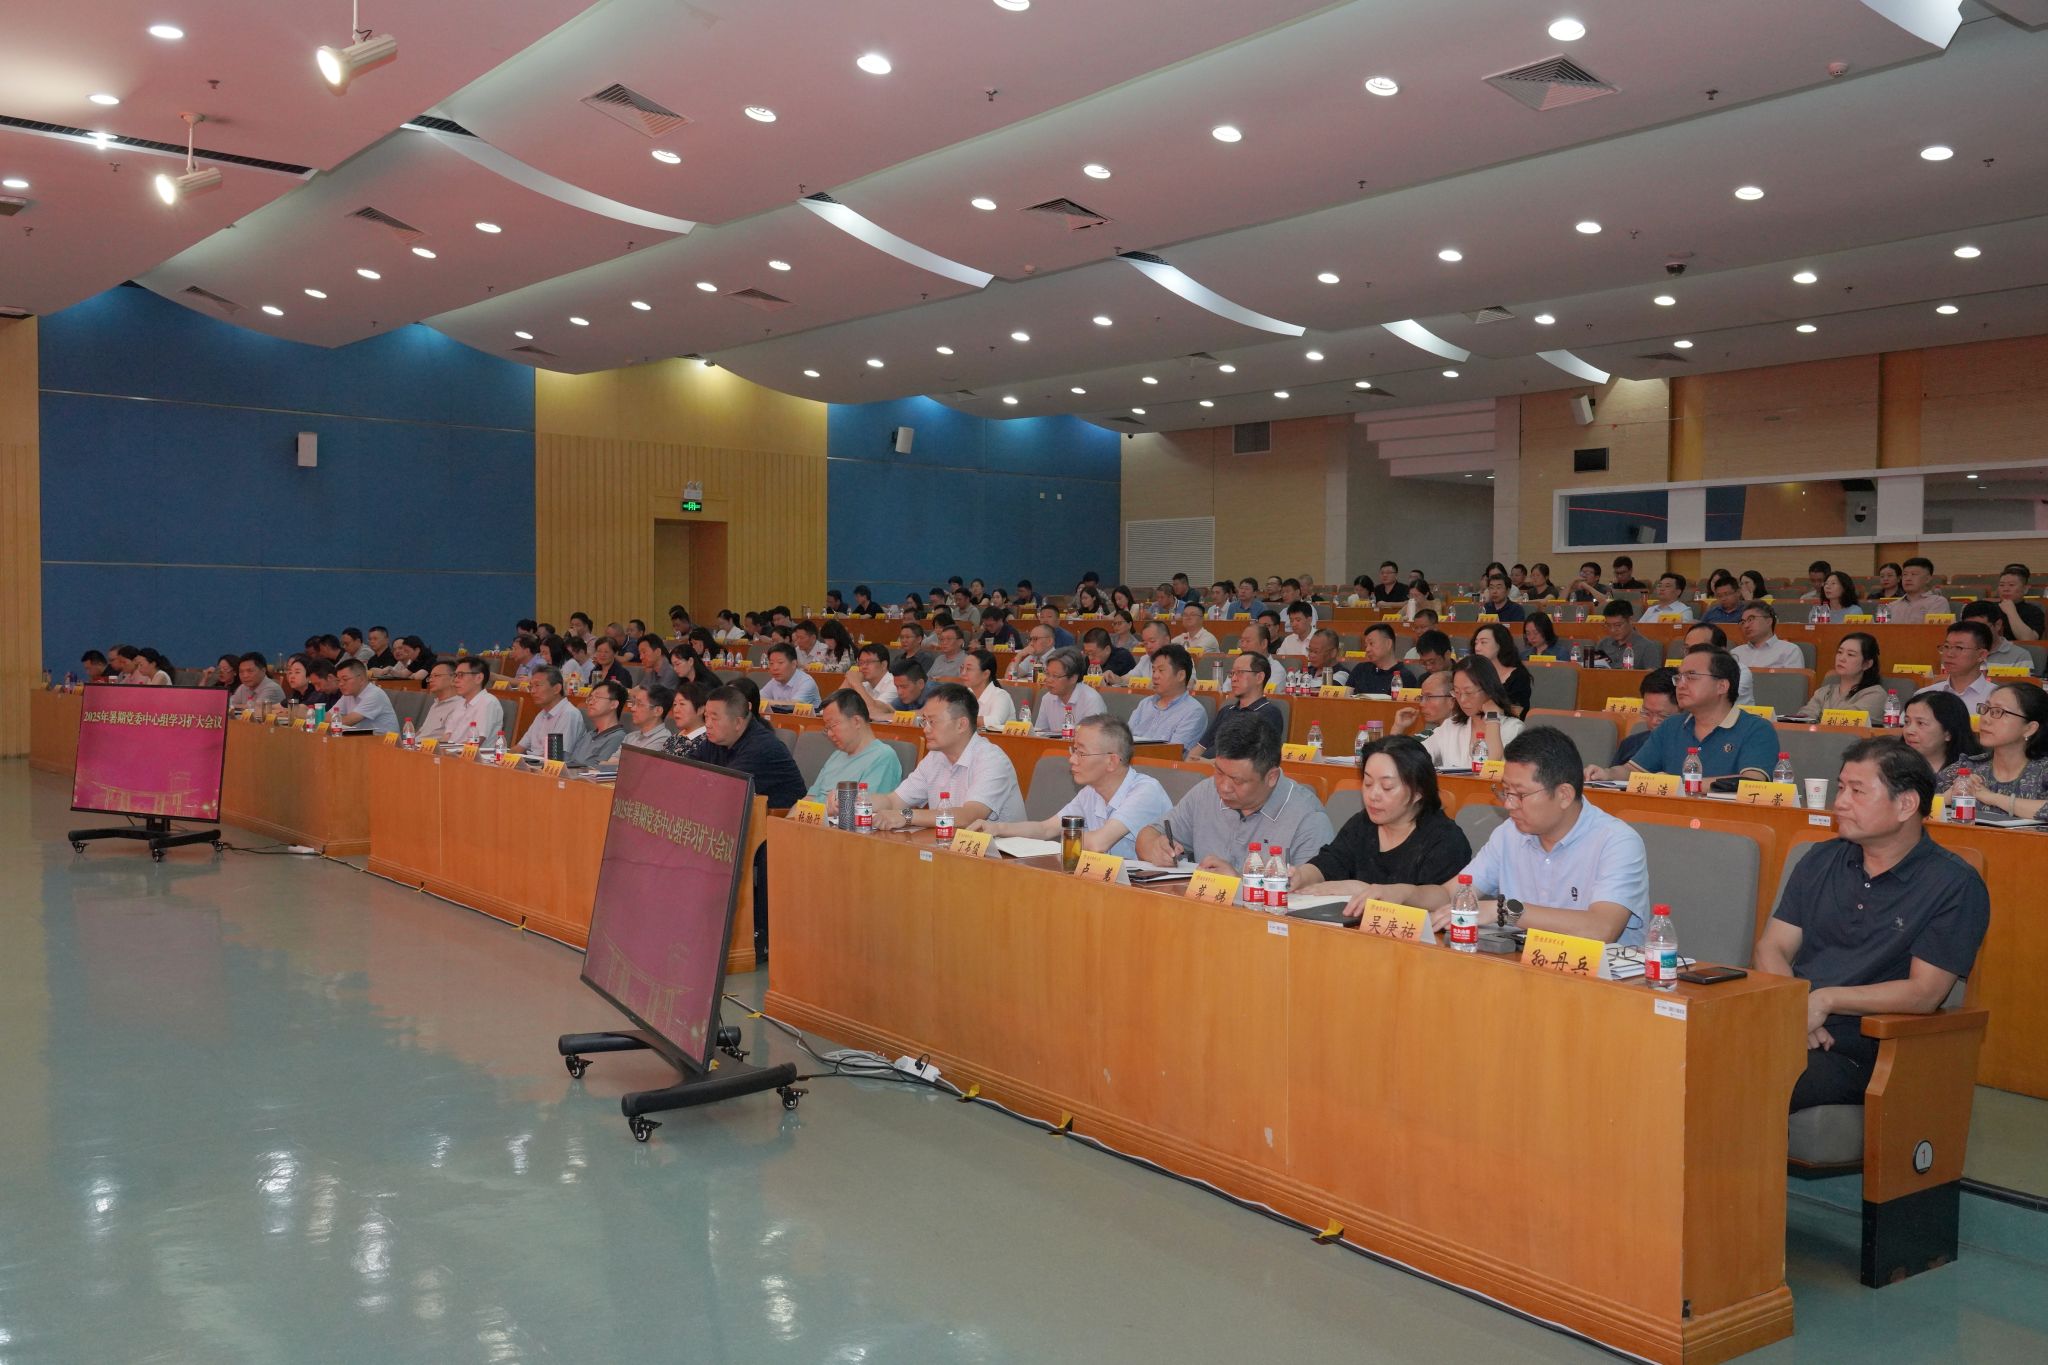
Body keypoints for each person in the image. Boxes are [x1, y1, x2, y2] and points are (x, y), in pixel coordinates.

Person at [1754, 740, 1989, 1110]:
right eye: (1841, 788)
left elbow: (1924, 993)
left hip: (1865, 1049)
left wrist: (1826, 1001)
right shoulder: (1821, 858)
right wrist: (1797, 1011)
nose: (1840, 802)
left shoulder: (1953, 884)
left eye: (1858, 791)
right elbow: (1773, 946)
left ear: (1906, 804)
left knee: (1748, 1077)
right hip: (1793, 1024)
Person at [1415, 727, 1649, 946]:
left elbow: (1602, 928)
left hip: (1596, 972)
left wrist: (1505, 910)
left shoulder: (1617, 842)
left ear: (1564, 795)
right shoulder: (1509, 832)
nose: (1508, 804)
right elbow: (1451, 893)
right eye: (1505, 791)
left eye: (1520, 794)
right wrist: (1403, 894)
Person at [1291, 735, 1473, 919]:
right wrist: (1301, 875)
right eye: (1368, 783)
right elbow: (1329, 863)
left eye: (1387, 787)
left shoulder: (1445, 839)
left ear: (1418, 792)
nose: (1373, 795)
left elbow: (1441, 902)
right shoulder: (1362, 824)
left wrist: (1365, 890)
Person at [1134, 712, 1334, 871]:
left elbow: (1310, 896)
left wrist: (1238, 884)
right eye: (1219, 772)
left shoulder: (1308, 819)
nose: (1223, 787)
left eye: (1237, 780)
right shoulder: (1205, 792)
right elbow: (1149, 834)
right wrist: (1154, 848)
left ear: (1271, 777)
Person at [700, 683, 807, 960]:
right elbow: (689, 773)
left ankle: (751, 935)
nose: (707, 724)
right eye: (706, 717)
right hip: (743, 821)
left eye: (714, 718)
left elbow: (721, 789)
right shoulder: (715, 740)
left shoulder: (761, 746)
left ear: (738, 722)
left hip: (779, 826)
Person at [971, 716, 1172, 861]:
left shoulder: (1145, 791)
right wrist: (997, 828)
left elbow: (1098, 843)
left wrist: (1053, 846)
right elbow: (1046, 828)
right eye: (1073, 750)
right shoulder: (1091, 792)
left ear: (1111, 761)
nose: (1072, 759)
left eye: (1081, 753)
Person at [1587, 647, 1777, 784]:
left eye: (1691, 677)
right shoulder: (1671, 726)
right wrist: (1606, 773)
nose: (1681, 685)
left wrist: (1678, 784)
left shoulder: (1756, 729)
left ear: (1722, 686)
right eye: (1679, 677)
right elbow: (1631, 771)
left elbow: (1751, 782)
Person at [872, 683, 1027, 828]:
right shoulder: (935, 757)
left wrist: (906, 816)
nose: (925, 729)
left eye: (932, 722)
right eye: (924, 721)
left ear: (961, 724)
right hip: (948, 843)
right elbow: (894, 801)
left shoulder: (992, 760)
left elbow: (968, 816)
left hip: (995, 847)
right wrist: (861, 802)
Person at [1935, 684, 2048, 815]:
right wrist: (1946, 798)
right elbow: (1918, 805)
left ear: (2029, 728)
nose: (1985, 719)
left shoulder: (2043, 771)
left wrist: (1992, 798)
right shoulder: (1966, 768)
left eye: (1998, 712)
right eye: (1986, 709)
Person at [1420, 658, 1524, 770]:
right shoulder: (1451, 726)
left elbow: (1491, 767)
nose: (1462, 700)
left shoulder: (1513, 728)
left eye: (1468, 692)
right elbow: (1419, 755)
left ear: (1488, 690)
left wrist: (1493, 718)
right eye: (1457, 692)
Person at [805, 689, 905, 804]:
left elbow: (863, 809)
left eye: (833, 725)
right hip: (812, 815)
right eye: (827, 728)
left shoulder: (883, 757)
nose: (829, 734)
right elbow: (809, 799)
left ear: (856, 721)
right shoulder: (837, 754)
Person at [1190, 652, 1285, 759]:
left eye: (1240, 673)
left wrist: (1206, 763)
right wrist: (1190, 761)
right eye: (1232, 673)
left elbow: (1249, 761)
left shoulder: (1269, 713)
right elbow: (1200, 748)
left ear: (1259, 677)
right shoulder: (1226, 711)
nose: (1233, 679)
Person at [1788, 632, 1890, 724]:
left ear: (1867, 664)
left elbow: (1848, 722)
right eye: (1840, 652)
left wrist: (1818, 719)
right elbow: (1804, 717)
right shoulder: (1824, 692)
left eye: (1850, 654)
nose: (1842, 658)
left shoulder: (1875, 694)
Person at [1127, 645, 1208, 758]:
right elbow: (1125, 740)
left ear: (1181, 675)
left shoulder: (1194, 712)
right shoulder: (1145, 703)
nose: (1155, 676)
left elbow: (1172, 754)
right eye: (1153, 670)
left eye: (1161, 670)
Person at [1915, 621, 1994, 715]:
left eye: (1959, 647)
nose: (1949, 654)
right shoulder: (1924, 696)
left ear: (1981, 655)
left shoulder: (1997, 698)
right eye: (1946, 646)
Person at [1032, 648, 1107, 737]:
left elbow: (1093, 739)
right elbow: (1039, 733)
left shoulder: (1091, 700)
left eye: (1055, 676)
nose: (1048, 680)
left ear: (1073, 678)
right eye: (1047, 674)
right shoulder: (1047, 698)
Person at [517, 666, 588, 761]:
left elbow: (554, 757)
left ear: (556, 689)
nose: (532, 691)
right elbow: (520, 747)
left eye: (537, 685)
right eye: (531, 686)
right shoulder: (542, 714)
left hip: (549, 766)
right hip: (533, 763)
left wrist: (526, 762)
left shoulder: (569, 714)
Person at [1612, 668, 1678, 767]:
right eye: (1647, 713)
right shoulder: (1630, 744)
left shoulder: (1692, 750)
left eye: (1662, 716)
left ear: (1684, 710)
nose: (1653, 721)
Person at [1468, 622, 1532, 717]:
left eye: (1483, 642)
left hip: (1505, 723)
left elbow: (1516, 711)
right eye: (1476, 643)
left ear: (1500, 644)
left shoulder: (1519, 676)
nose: (1477, 648)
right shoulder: (1472, 673)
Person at [1685, 621, 1753, 706]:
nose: (1690, 654)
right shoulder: (1682, 672)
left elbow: (1710, 701)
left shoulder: (1740, 672)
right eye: (1687, 649)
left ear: (1721, 651)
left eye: (1698, 648)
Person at [1959, 600, 2036, 674]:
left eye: (1981, 627)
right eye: (1968, 628)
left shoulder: (2019, 656)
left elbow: (2022, 683)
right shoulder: (1957, 653)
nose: (1974, 633)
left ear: (1998, 625)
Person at [445, 658, 507, 747]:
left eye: (461, 675)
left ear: (479, 678)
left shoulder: (488, 702)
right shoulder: (460, 702)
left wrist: (447, 751)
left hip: (473, 754)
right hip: (452, 751)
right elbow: (447, 736)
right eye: (455, 675)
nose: (455, 680)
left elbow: (474, 743)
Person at [1729, 602, 1806, 673]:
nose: (1746, 626)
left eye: (1750, 619)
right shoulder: (1735, 653)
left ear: (1768, 621)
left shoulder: (1789, 651)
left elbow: (1793, 682)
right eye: (1743, 622)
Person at [329, 659, 398, 735]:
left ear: (361, 679)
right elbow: (329, 715)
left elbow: (346, 722)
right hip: (362, 739)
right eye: (338, 680)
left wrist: (326, 719)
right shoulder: (348, 694)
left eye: (345, 679)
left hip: (383, 741)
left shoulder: (374, 694)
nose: (341, 684)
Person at [1390, 669, 1457, 741]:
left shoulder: (1462, 737)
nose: (1421, 704)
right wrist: (1398, 727)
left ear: (1452, 701)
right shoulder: (1426, 737)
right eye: (1421, 697)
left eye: (1429, 697)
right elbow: (1389, 748)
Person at [1346, 623, 1410, 697]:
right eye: (1366, 645)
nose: (1367, 649)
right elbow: (1344, 697)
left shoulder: (1404, 677)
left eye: (1371, 643)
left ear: (1388, 644)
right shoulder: (1360, 669)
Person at [578, 679, 630, 766]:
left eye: (597, 697)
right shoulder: (589, 735)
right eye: (590, 698)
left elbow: (598, 770)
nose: (590, 702)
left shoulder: (617, 738)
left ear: (613, 704)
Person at [1592, 599, 1657, 668]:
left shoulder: (1647, 647)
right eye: (1608, 625)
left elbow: (1653, 674)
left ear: (1630, 620)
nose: (1612, 630)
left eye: (1618, 625)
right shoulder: (1603, 644)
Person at [961, 649, 1015, 730]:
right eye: (962, 668)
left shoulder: (1001, 696)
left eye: (968, 669)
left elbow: (995, 722)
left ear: (985, 674)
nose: (963, 673)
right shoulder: (964, 694)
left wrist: (959, 719)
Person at [759, 643, 823, 709]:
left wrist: (764, 701)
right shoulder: (774, 681)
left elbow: (793, 705)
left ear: (793, 664)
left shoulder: (807, 682)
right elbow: (758, 697)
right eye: (771, 663)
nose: (775, 668)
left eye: (780, 662)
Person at [1888, 556, 1951, 624]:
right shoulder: (1891, 606)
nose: (1908, 578)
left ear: (1927, 579)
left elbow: (1934, 629)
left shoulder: (1938, 602)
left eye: (1914, 574)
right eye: (1905, 574)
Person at [414, 660, 465, 741]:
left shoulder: (460, 706)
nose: (431, 680)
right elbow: (421, 732)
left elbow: (449, 740)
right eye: (430, 677)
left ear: (453, 679)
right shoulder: (435, 704)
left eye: (436, 676)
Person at [847, 642, 901, 718]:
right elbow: (837, 705)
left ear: (884, 665)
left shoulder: (895, 685)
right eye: (861, 662)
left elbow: (873, 711)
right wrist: (848, 680)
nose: (863, 667)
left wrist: (856, 683)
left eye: (869, 662)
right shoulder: (865, 684)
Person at [1992, 564, 2043, 642]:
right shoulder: (1989, 608)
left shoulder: (2034, 611)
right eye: (2001, 585)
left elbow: (2029, 640)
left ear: (2025, 589)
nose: (2005, 589)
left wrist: (2011, 612)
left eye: (2011, 585)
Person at [663, 680, 713, 760]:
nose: (676, 710)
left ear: (701, 709)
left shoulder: (707, 743)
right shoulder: (672, 739)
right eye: (675, 704)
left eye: (682, 704)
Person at [619, 683, 675, 754]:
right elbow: (613, 759)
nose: (632, 709)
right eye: (634, 703)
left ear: (657, 711)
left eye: (639, 704)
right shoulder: (630, 737)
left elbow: (637, 761)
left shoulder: (663, 740)